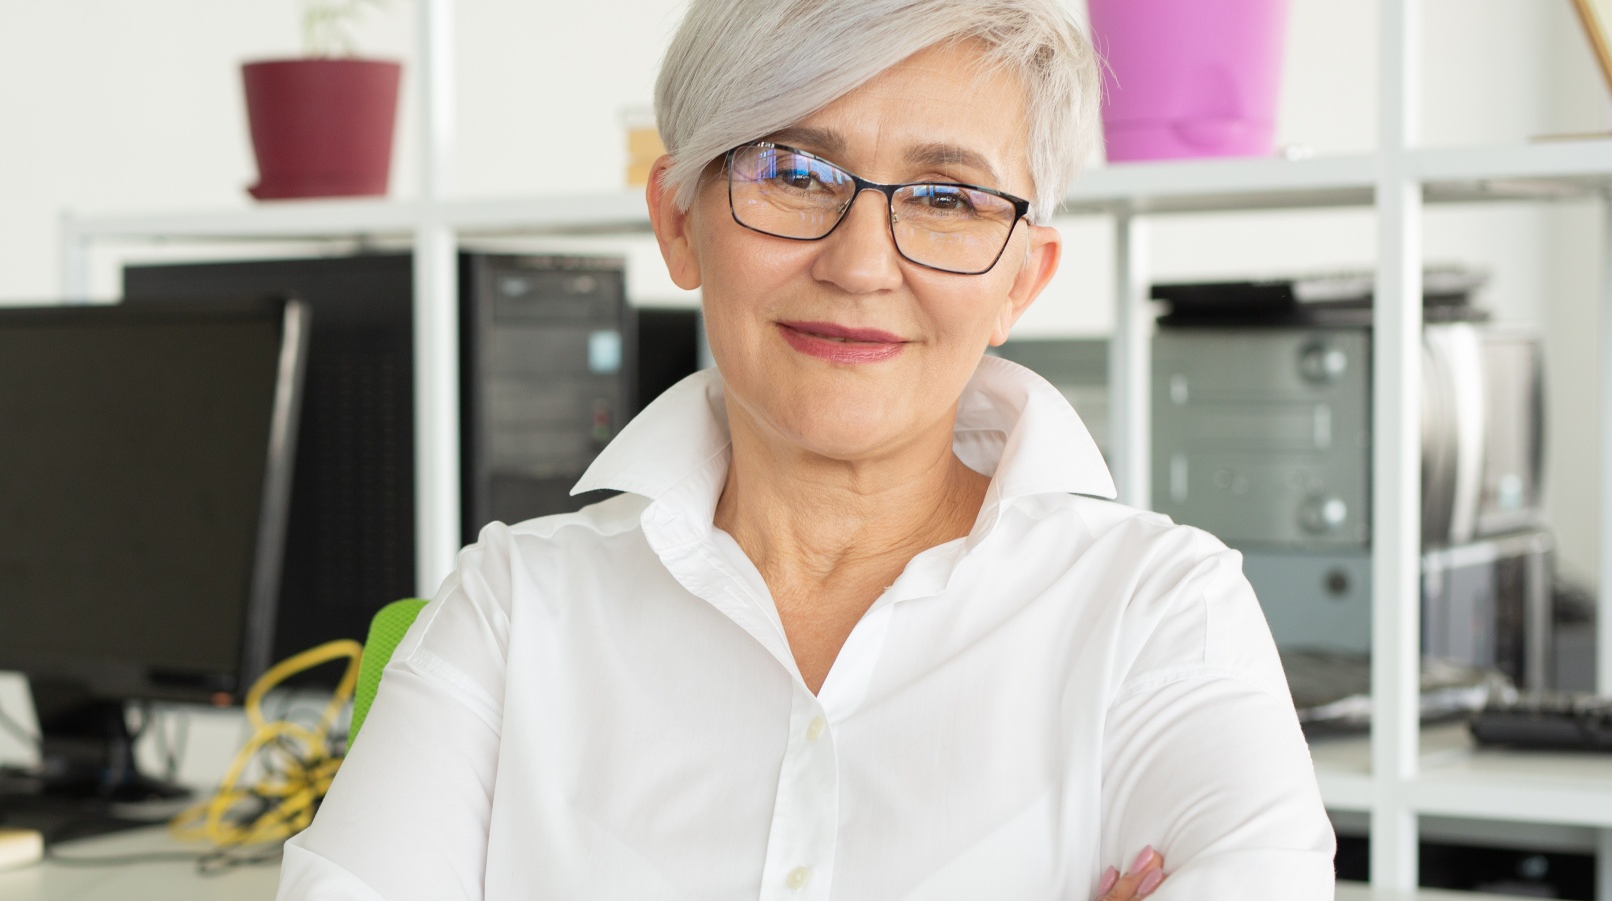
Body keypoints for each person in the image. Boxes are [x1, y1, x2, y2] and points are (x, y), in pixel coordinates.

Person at [277, 0, 1336, 897]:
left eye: (946, 198)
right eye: (793, 171)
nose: (861, 262)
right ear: (680, 220)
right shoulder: (509, 615)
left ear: (1021, 278)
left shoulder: (1157, 615)